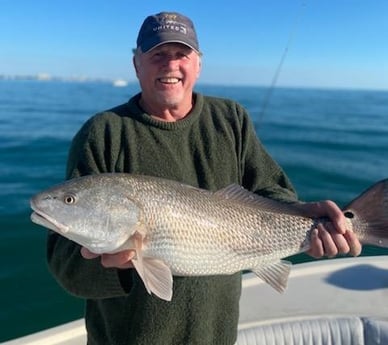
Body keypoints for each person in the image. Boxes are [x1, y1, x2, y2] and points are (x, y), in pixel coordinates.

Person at [47, 11, 361, 345]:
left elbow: (272, 191)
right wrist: (114, 265)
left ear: (198, 64)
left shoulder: (230, 118)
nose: (170, 65)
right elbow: (65, 264)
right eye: (157, 55)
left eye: (181, 55)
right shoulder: (103, 132)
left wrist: (305, 218)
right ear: (136, 64)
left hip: (216, 335)